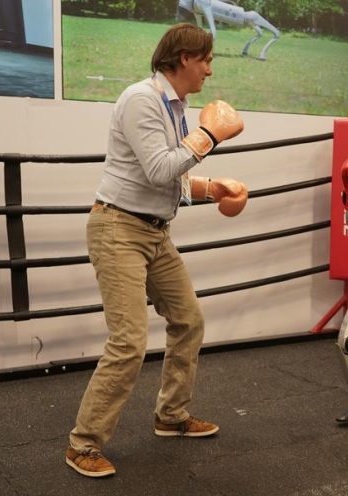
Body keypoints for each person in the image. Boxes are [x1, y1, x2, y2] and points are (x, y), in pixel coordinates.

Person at [65, 23, 248, 478]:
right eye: (206, 60)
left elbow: (172, 178)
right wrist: (210, 136)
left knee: (189, 319)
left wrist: (213, 188)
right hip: (118, 229)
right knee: (129, 341)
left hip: (154, 231)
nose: (209, 70)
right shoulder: (141, 99)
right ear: (185, 58)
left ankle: (171, 415)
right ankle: (83, 443)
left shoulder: (175, 107)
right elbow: (157, 168)